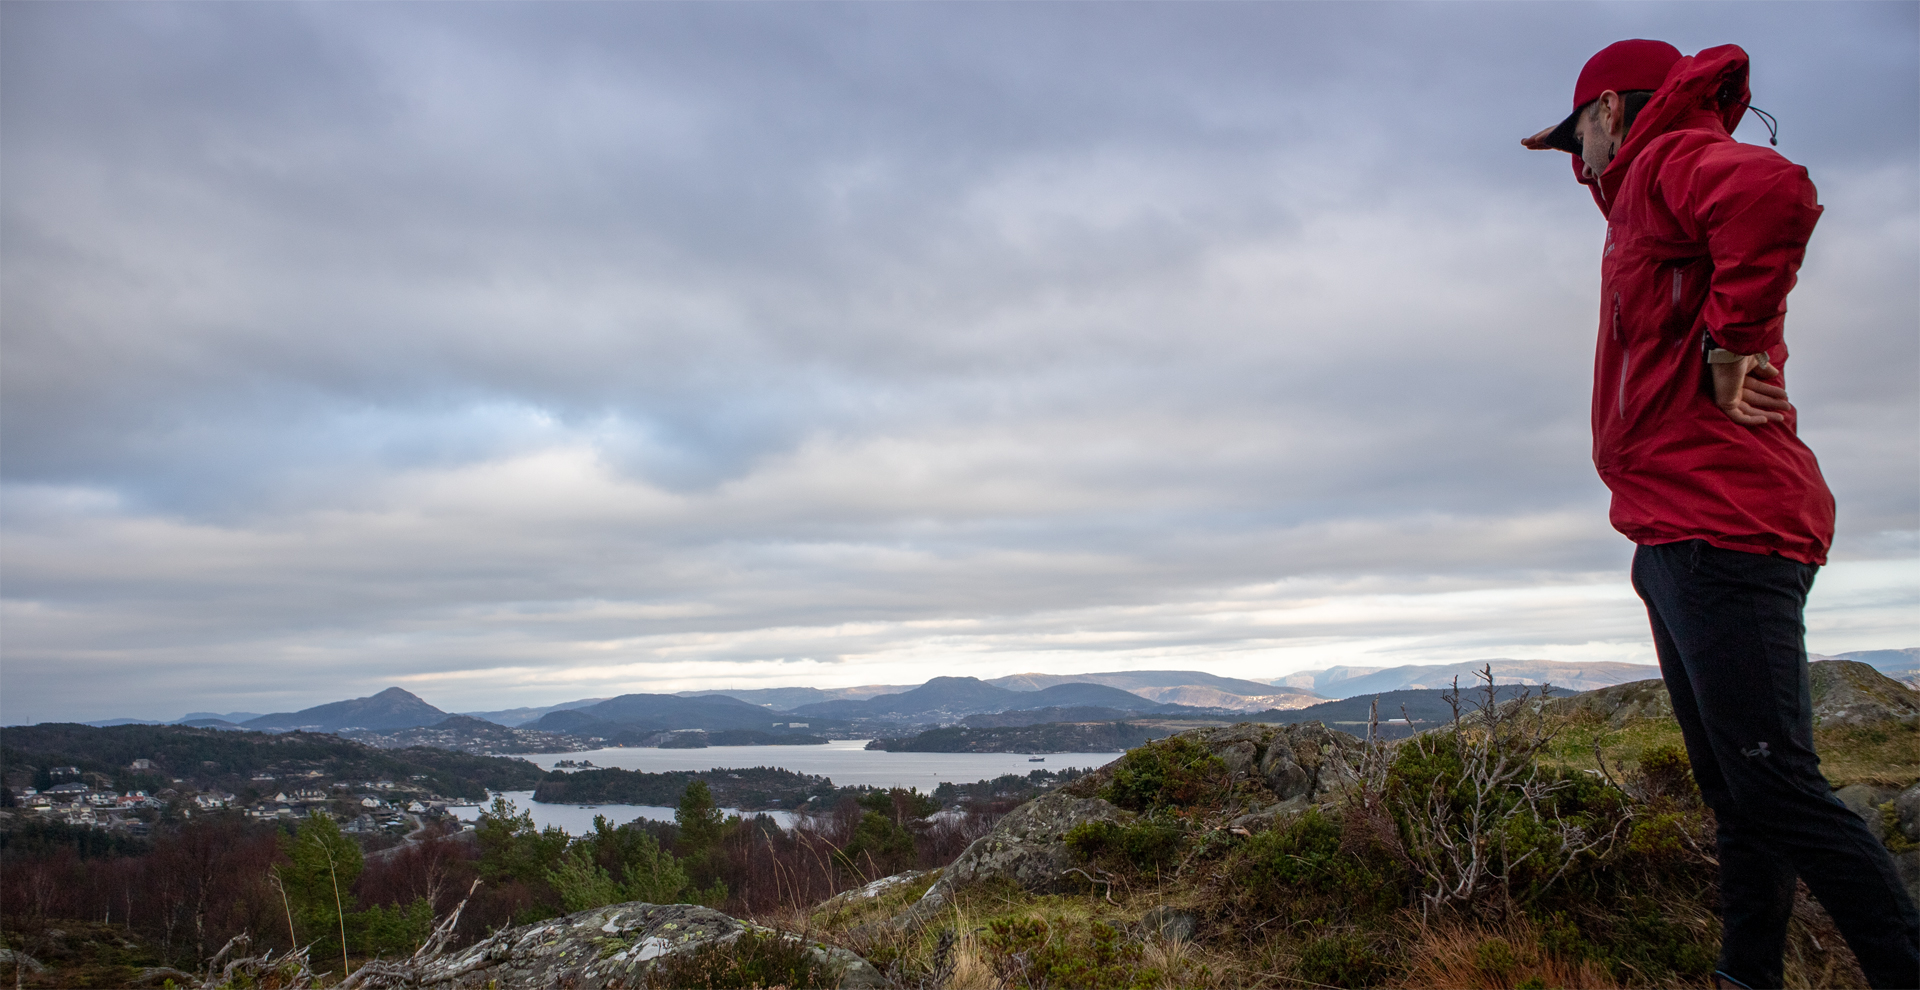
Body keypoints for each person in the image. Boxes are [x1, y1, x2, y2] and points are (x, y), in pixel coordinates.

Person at [1522, 39, 1920, 990]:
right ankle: (1747, 977)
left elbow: (1772, 192)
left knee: (1776, 788)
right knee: (1743, 797)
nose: (1576, 160)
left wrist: (1731, 344)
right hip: (1676, 527)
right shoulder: (1645, 197)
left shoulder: (1668, 161)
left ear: (1612, 110)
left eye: (1577, 134)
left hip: (1723, 524)